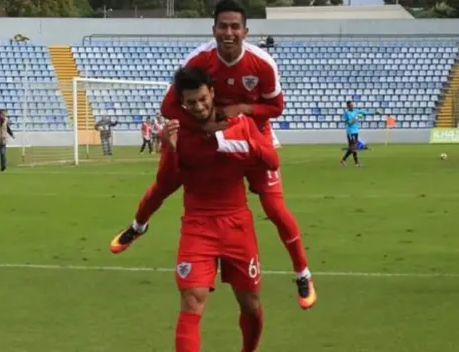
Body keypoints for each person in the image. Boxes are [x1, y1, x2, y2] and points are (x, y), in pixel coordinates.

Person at [110, 0, 316, 310]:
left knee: (274, 207)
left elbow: (276, 107)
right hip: (202, 134)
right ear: (214, 29)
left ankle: (303, 272)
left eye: (235, 27)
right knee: (164, 185)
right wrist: (205, 127)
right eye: (223, 26)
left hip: (249, 136)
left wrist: (242, 110)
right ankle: (138, 226)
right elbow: (169, 107)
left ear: (246, 31)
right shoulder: (199, 59)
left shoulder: (262, 63)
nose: (229, 33)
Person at [158, 67, 278, 352]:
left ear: (212, 92)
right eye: (190, 102)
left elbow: (272, 161)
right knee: (191, 300)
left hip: (237, 224)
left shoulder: (240, 123)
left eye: (202, 99)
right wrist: (170, 150)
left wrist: (247, 144)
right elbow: (165, 183)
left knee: (250, 304)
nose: (198, 107)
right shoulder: (177, 133)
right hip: (198, 225)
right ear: (182, 103)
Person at [341, 101, 377, 167]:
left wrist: (374, 113)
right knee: (354, 148)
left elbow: (365, 113)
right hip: (350, 132)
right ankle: (356, 163)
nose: (352, 106)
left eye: (352, 105)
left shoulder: (356, 111)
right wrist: (356, 118)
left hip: (355, 131)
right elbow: (349, 123)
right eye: (351, 105)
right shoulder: (346, 113)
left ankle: (344, 159)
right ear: (348, 106)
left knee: (353, 148)